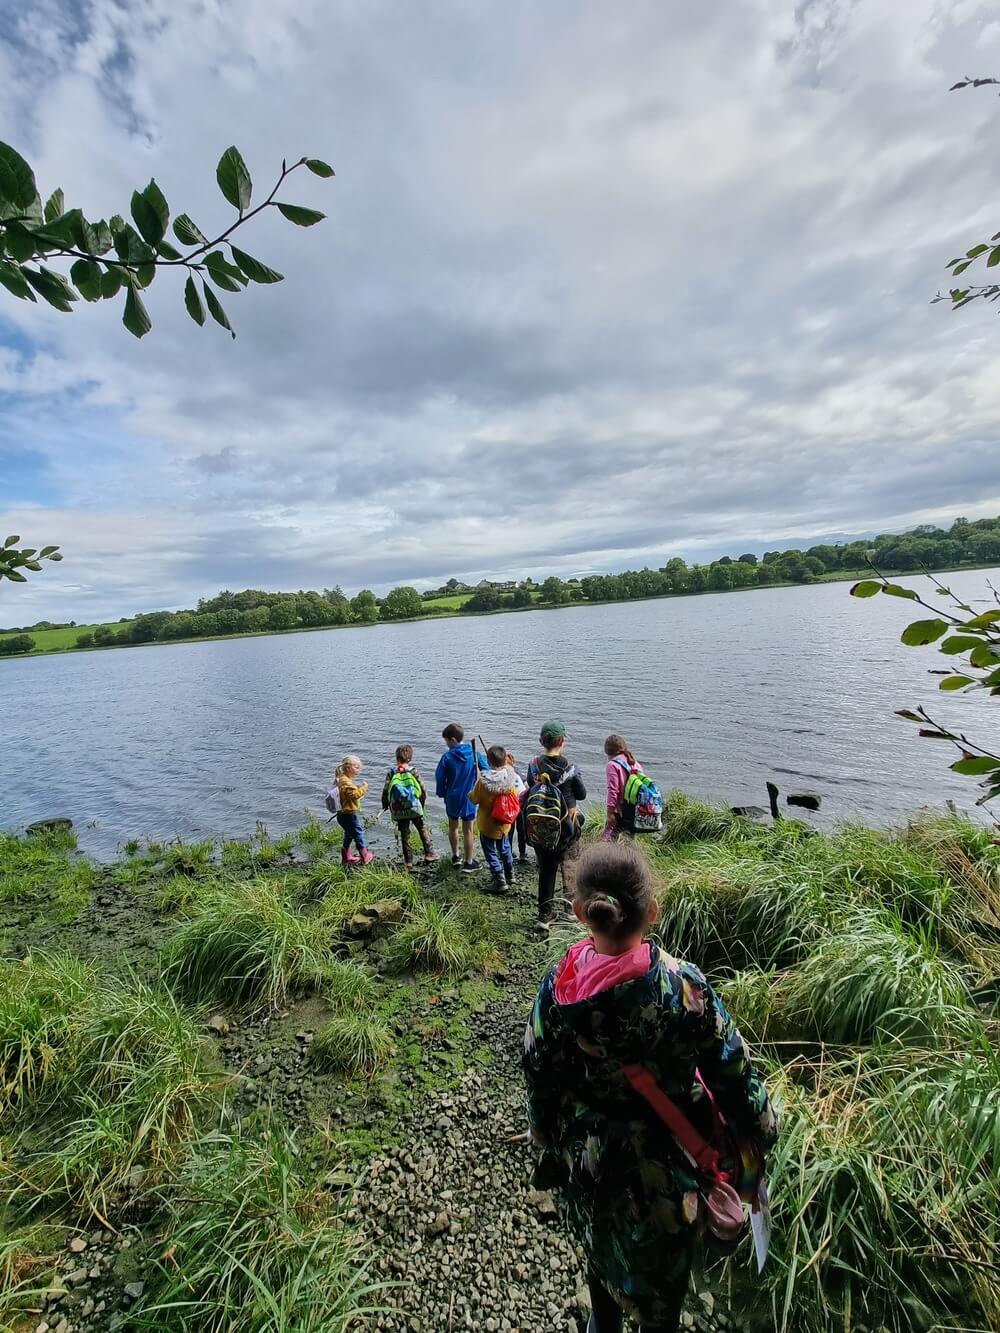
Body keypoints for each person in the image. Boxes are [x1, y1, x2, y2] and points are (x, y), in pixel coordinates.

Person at [523, 842, 777, 1333]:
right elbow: (734, 1074)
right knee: (663, 1288)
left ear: (580, 913)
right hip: (668, 1164)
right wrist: (759, 1138)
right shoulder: (686, 988)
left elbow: (537, 1071)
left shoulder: (558, 988)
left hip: (590, 1158)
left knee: (601, 1261)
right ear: (653, 911)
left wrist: (545, 1136)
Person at [525, 720, 586, 925]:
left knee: (546, 870)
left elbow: (529, 786)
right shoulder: (569, 768)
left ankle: (545, 915)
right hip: (567, 826)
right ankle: (571, 910)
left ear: (541, 741)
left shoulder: (533, 765)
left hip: (541, 827)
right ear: (562, 742)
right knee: (570, 866)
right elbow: (582, 794)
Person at [435, 722, 488, 873]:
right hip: (470, 798)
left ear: (452, 740)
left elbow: (440, 778)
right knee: (469, 830)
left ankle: (455, 856)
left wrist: (441, 793)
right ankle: (469, 861)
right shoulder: (475, 753)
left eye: (446, 741)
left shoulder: (447, 757)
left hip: (452, 798)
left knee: (453, 827)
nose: (446, 745)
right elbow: (487, 771)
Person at [470, 744, 520, 894]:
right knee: (505, 848)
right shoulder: (510, 778)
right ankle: (510, 874)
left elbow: (475, 799)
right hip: (504, 824)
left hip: (488, 825)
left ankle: (499, 880)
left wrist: (469, 794)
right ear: (505, 760)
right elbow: (515, 796)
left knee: (490, 851)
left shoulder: (483, 782)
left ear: (489, 761)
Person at [381, 744, 437, 869]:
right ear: (410, 758)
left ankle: (408, 860)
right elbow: (423, 790)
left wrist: (385, 804)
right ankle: (429, 853)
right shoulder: (414, 771)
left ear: (397, 758)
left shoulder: (391, 772)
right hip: (414, 807)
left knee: (404, 834)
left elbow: (385, 791)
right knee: (422, 828)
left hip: (399, 809)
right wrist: (421, 805)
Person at [335, 755, 374, 866]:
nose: (359, 770)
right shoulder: (346, 782)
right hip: (349, 815)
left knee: (349, 834)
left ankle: (346, 856)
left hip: (342, 814)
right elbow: (354, 795)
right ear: (348, 768)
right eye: (356, 767)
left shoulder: (342, 779)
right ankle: (364, 855)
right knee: (358, 833)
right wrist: (364, 788)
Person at [602, 733, 642, 840]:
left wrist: (610, 813)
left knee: (607, 839)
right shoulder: (634, 762)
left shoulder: (612, 765)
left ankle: (605, 855)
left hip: (621, 809)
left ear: (607, 751)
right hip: (635, 807)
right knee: (629, 838)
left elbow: (613, 790)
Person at [506, 751, 529, 864]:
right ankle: (522, 854)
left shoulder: (503, 774)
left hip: (510, 808)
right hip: (521, 806)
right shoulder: (519, 774)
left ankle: (509, 852)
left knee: (510, 831)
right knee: (522, 831)